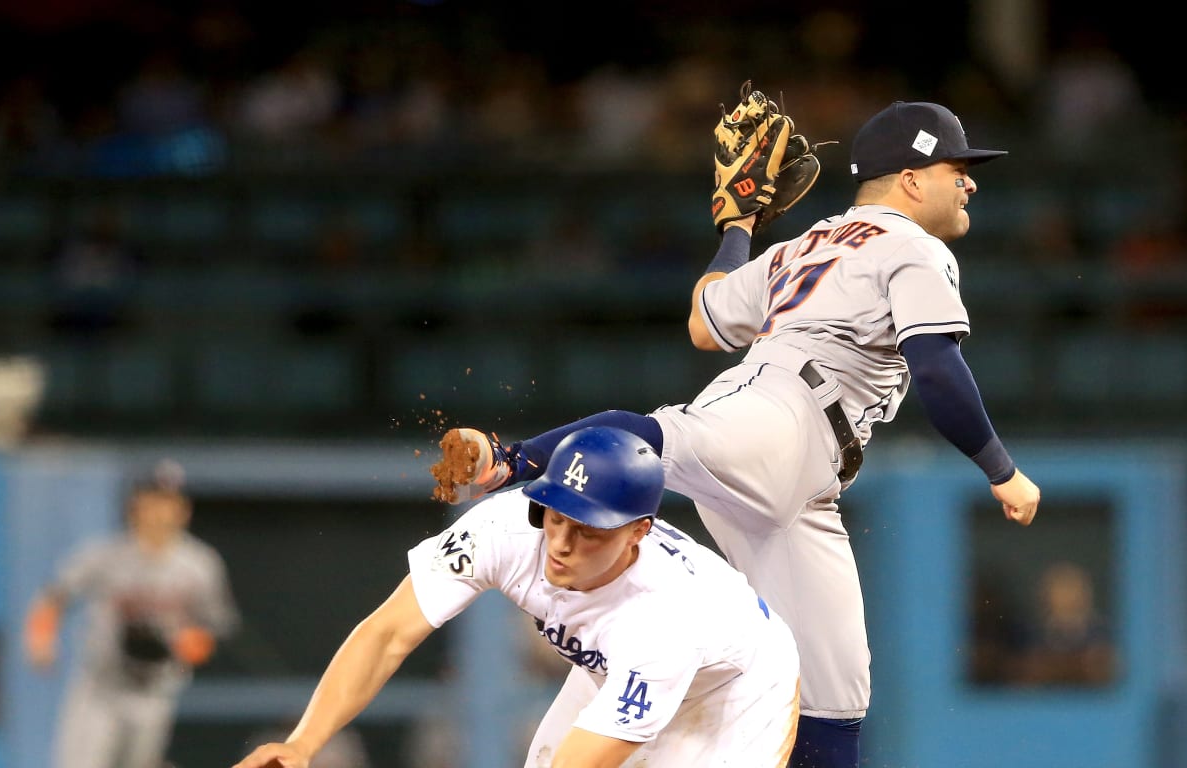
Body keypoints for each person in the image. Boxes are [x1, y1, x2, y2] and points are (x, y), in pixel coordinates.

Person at [431, 98, 1042, 767]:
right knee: (654, 442)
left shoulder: (805, 243)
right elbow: (936, 367)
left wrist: (739, 223)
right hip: (782, 415)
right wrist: (1000, 468)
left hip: (804, 485)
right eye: (958, 168)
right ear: (913, 178)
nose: (971, 182)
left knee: (836, 697)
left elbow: (705, 320)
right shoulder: (911, 248)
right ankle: (510, 461)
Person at [237, 427, 799, 768]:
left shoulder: (666, 620)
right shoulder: (505, 530)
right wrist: (304, 744)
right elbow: (387, 635)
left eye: (588, 529)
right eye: (556, 516)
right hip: (615, 668)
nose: (560, 542)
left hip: (734, 689)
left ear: (639, 531)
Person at [23, 461, 239, 768]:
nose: (160, 511)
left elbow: (215, 624)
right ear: (134, 506)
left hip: (157, 689)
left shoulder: (200, 564)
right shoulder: (105, 555)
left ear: (183, 509)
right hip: (101, 688)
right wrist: (41, 638)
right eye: (152, 501)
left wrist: (192, 643)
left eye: (168, 502)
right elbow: (53, 597)